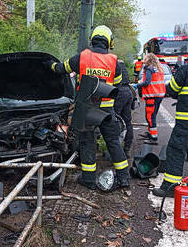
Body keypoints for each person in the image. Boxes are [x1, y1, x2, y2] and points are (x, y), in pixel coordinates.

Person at [45, 25, 129, 190]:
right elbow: (117, 86)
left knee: (87, 143)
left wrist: (50, 65)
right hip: (106, 110)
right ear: (109, 42)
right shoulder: (114, 62)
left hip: (86, 110)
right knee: (113, 143)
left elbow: (62, 69)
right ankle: (124, 179)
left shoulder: (82, 57)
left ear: (93, 39)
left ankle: (89, 180)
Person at [152, 38, 188, 198]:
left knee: (176, 150)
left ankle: (170, 186)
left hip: (187, 123)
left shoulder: (187, 69)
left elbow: (172, 90)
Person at [132, 53, 166, 142]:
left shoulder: (149, 68)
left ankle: (153, 137)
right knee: (153, 115)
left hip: (152, 95)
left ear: (148, 59)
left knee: (150, 116)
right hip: (159, 95)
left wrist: (136, 85)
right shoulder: (158, 68)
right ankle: (151, 132)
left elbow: (147, 82)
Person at [114, 59, 134, 158]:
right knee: (127, 121)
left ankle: (115, 152)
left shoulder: (115, 66)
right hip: (127, 92)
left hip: (119, 93)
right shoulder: (123, 67)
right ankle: (127, 149)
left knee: (115, 120)